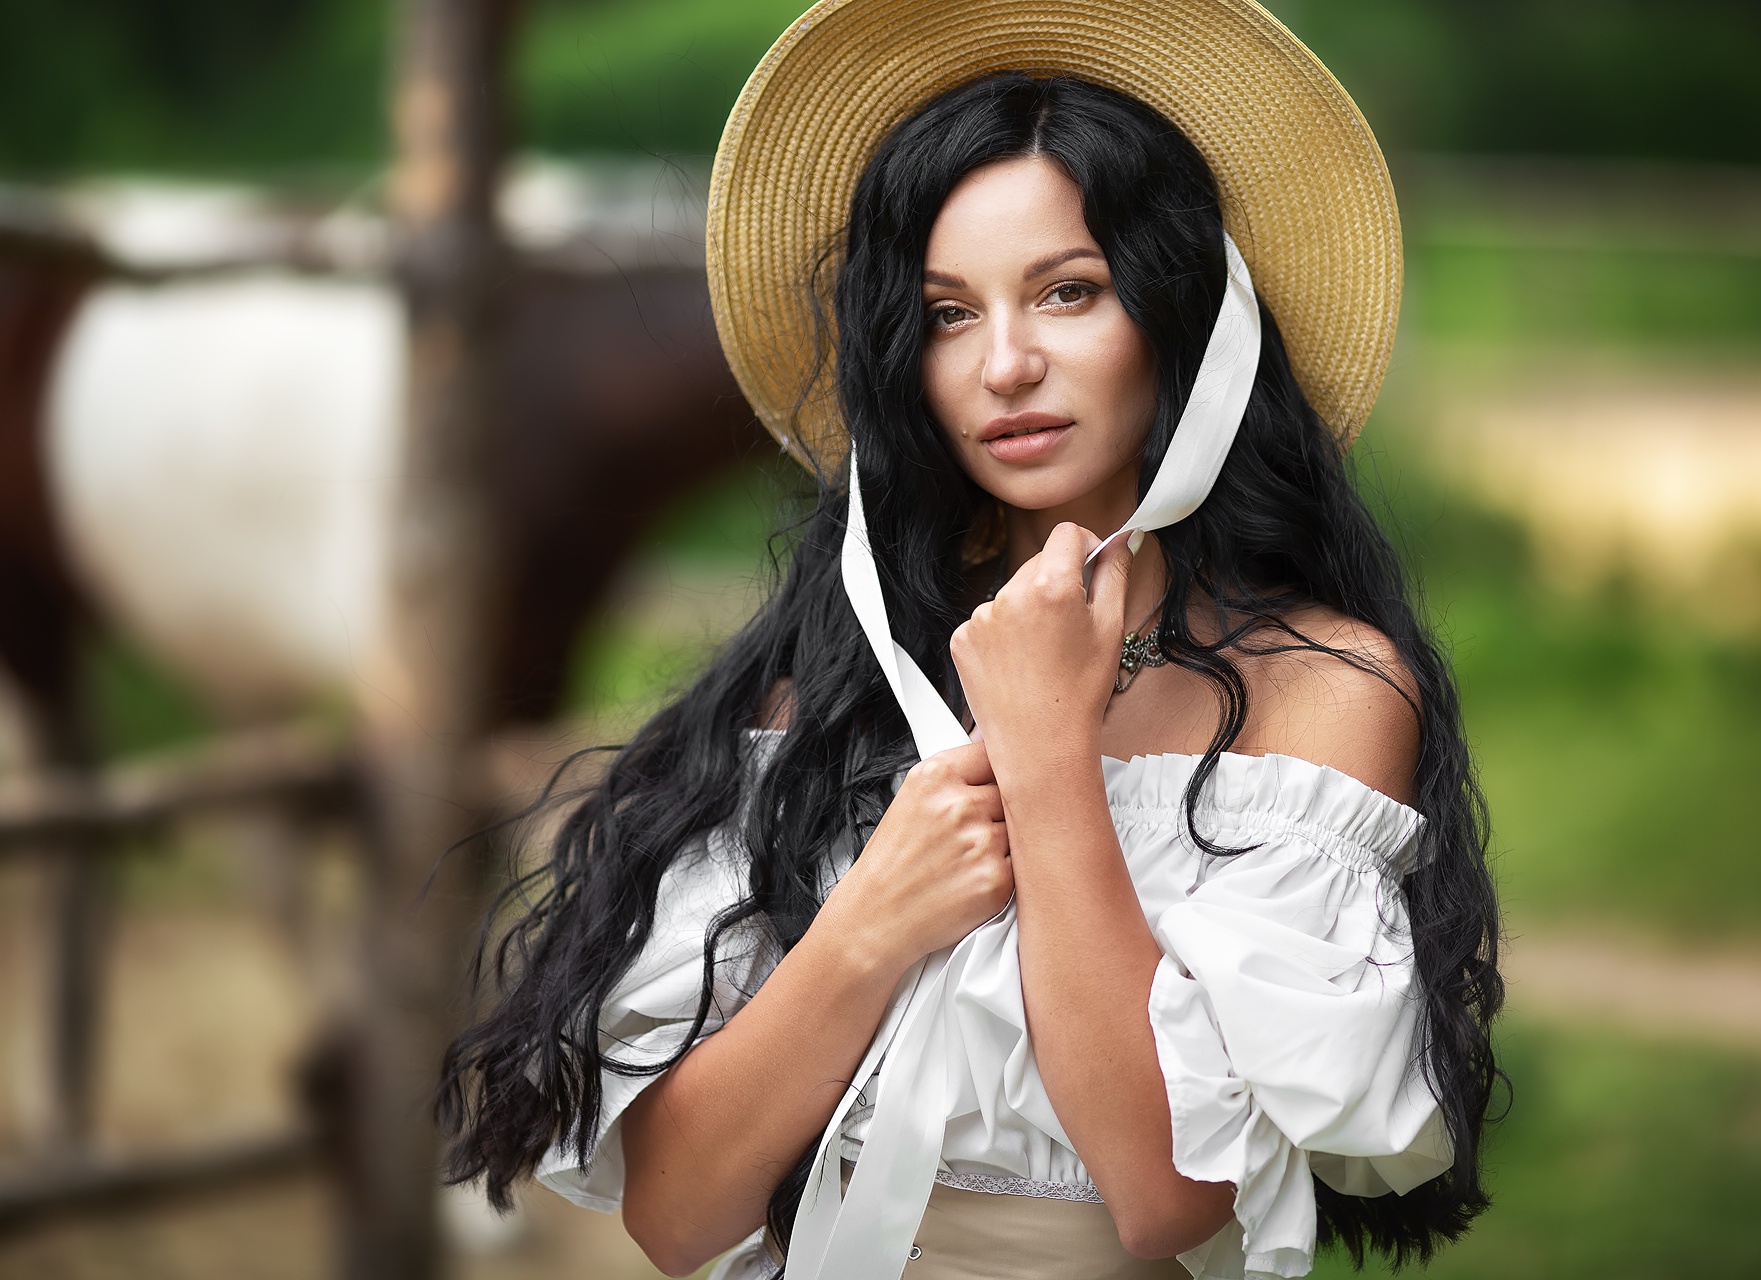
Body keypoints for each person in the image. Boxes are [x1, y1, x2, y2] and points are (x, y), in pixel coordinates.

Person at [438, 3, 1503, 1278]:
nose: (1004, 365)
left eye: (1068, 292)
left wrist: (1049, 756)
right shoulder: (821, 691)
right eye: (948, 313)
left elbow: (1172, 1198)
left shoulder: (1317, 694)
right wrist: (870, 918)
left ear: (1182, 316)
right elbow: (674, 1216)